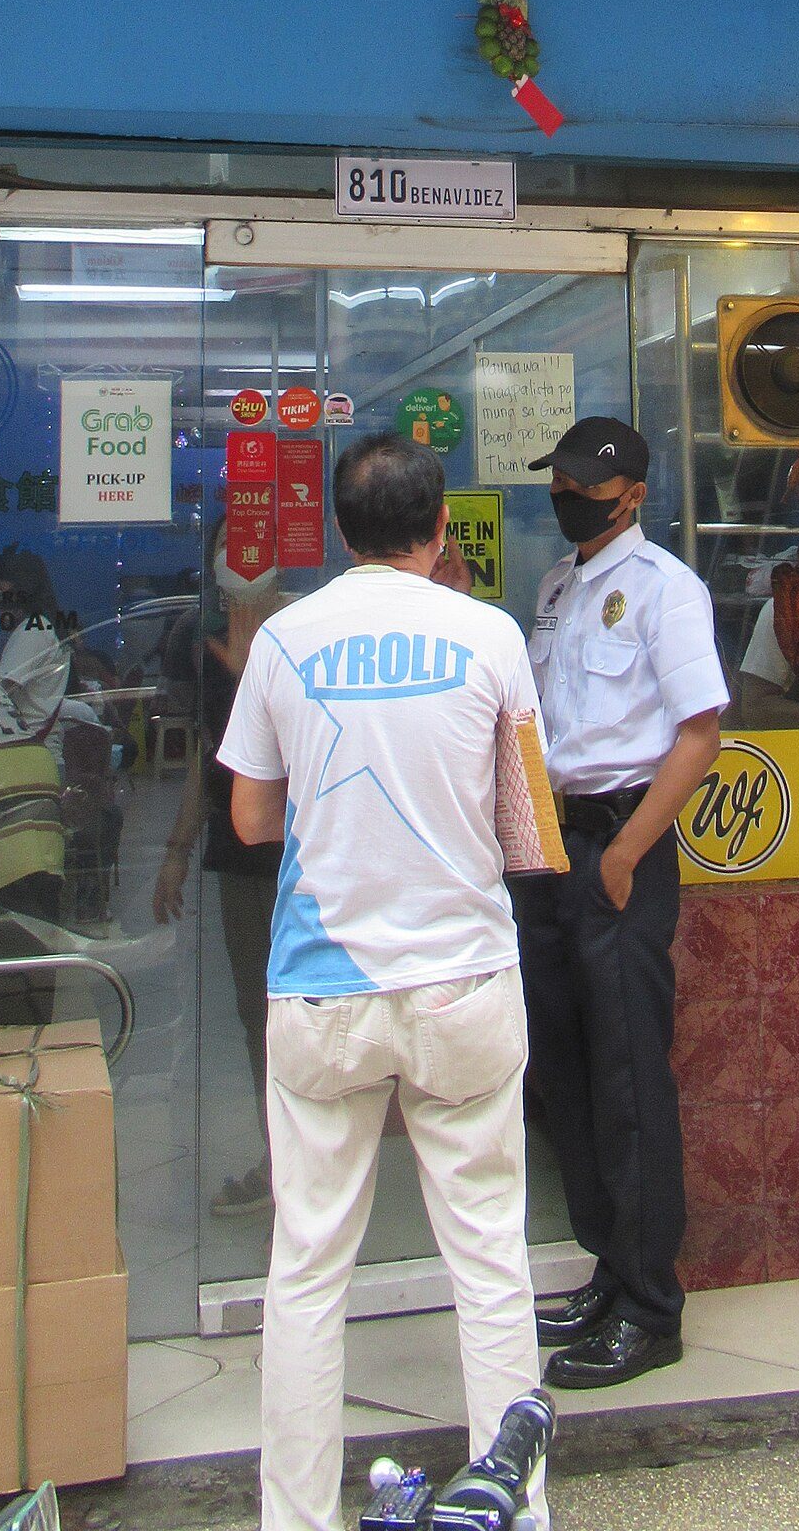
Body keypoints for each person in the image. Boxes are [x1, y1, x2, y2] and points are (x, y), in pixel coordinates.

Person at [217, 434, 547, 1531]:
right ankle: (515, 1507)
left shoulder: (284, 638)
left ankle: (297, 1519)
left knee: (308, 1269)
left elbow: (250, 818)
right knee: (490, 1260)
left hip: (323, 989)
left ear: (337, 529)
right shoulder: (491, 635)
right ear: (443, 526)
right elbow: (528, 819)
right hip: (463, 981)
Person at [514, 415, 727, 1390]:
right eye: (558, 481)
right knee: (566, 1071)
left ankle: (651, 1306)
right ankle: (609, 1267)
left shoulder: (665, 589)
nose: (567, 496)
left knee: (629, 1074)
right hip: (552, 851)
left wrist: (628, 853)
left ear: (633, 493)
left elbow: (699, 734)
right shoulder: (557, 588)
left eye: (585, 485)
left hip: (619, 850)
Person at [153, 551, 287, 1219]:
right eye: (229, 543)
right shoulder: (196, 637)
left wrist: (251, 677)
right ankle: (281, 1161)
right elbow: (209, 757)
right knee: (260, 1014)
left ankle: (324, 1166)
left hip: (313, 852)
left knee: (326, 1012)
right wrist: (177, 849)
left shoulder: (306, 628)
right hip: (242, 857)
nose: (243, 557)